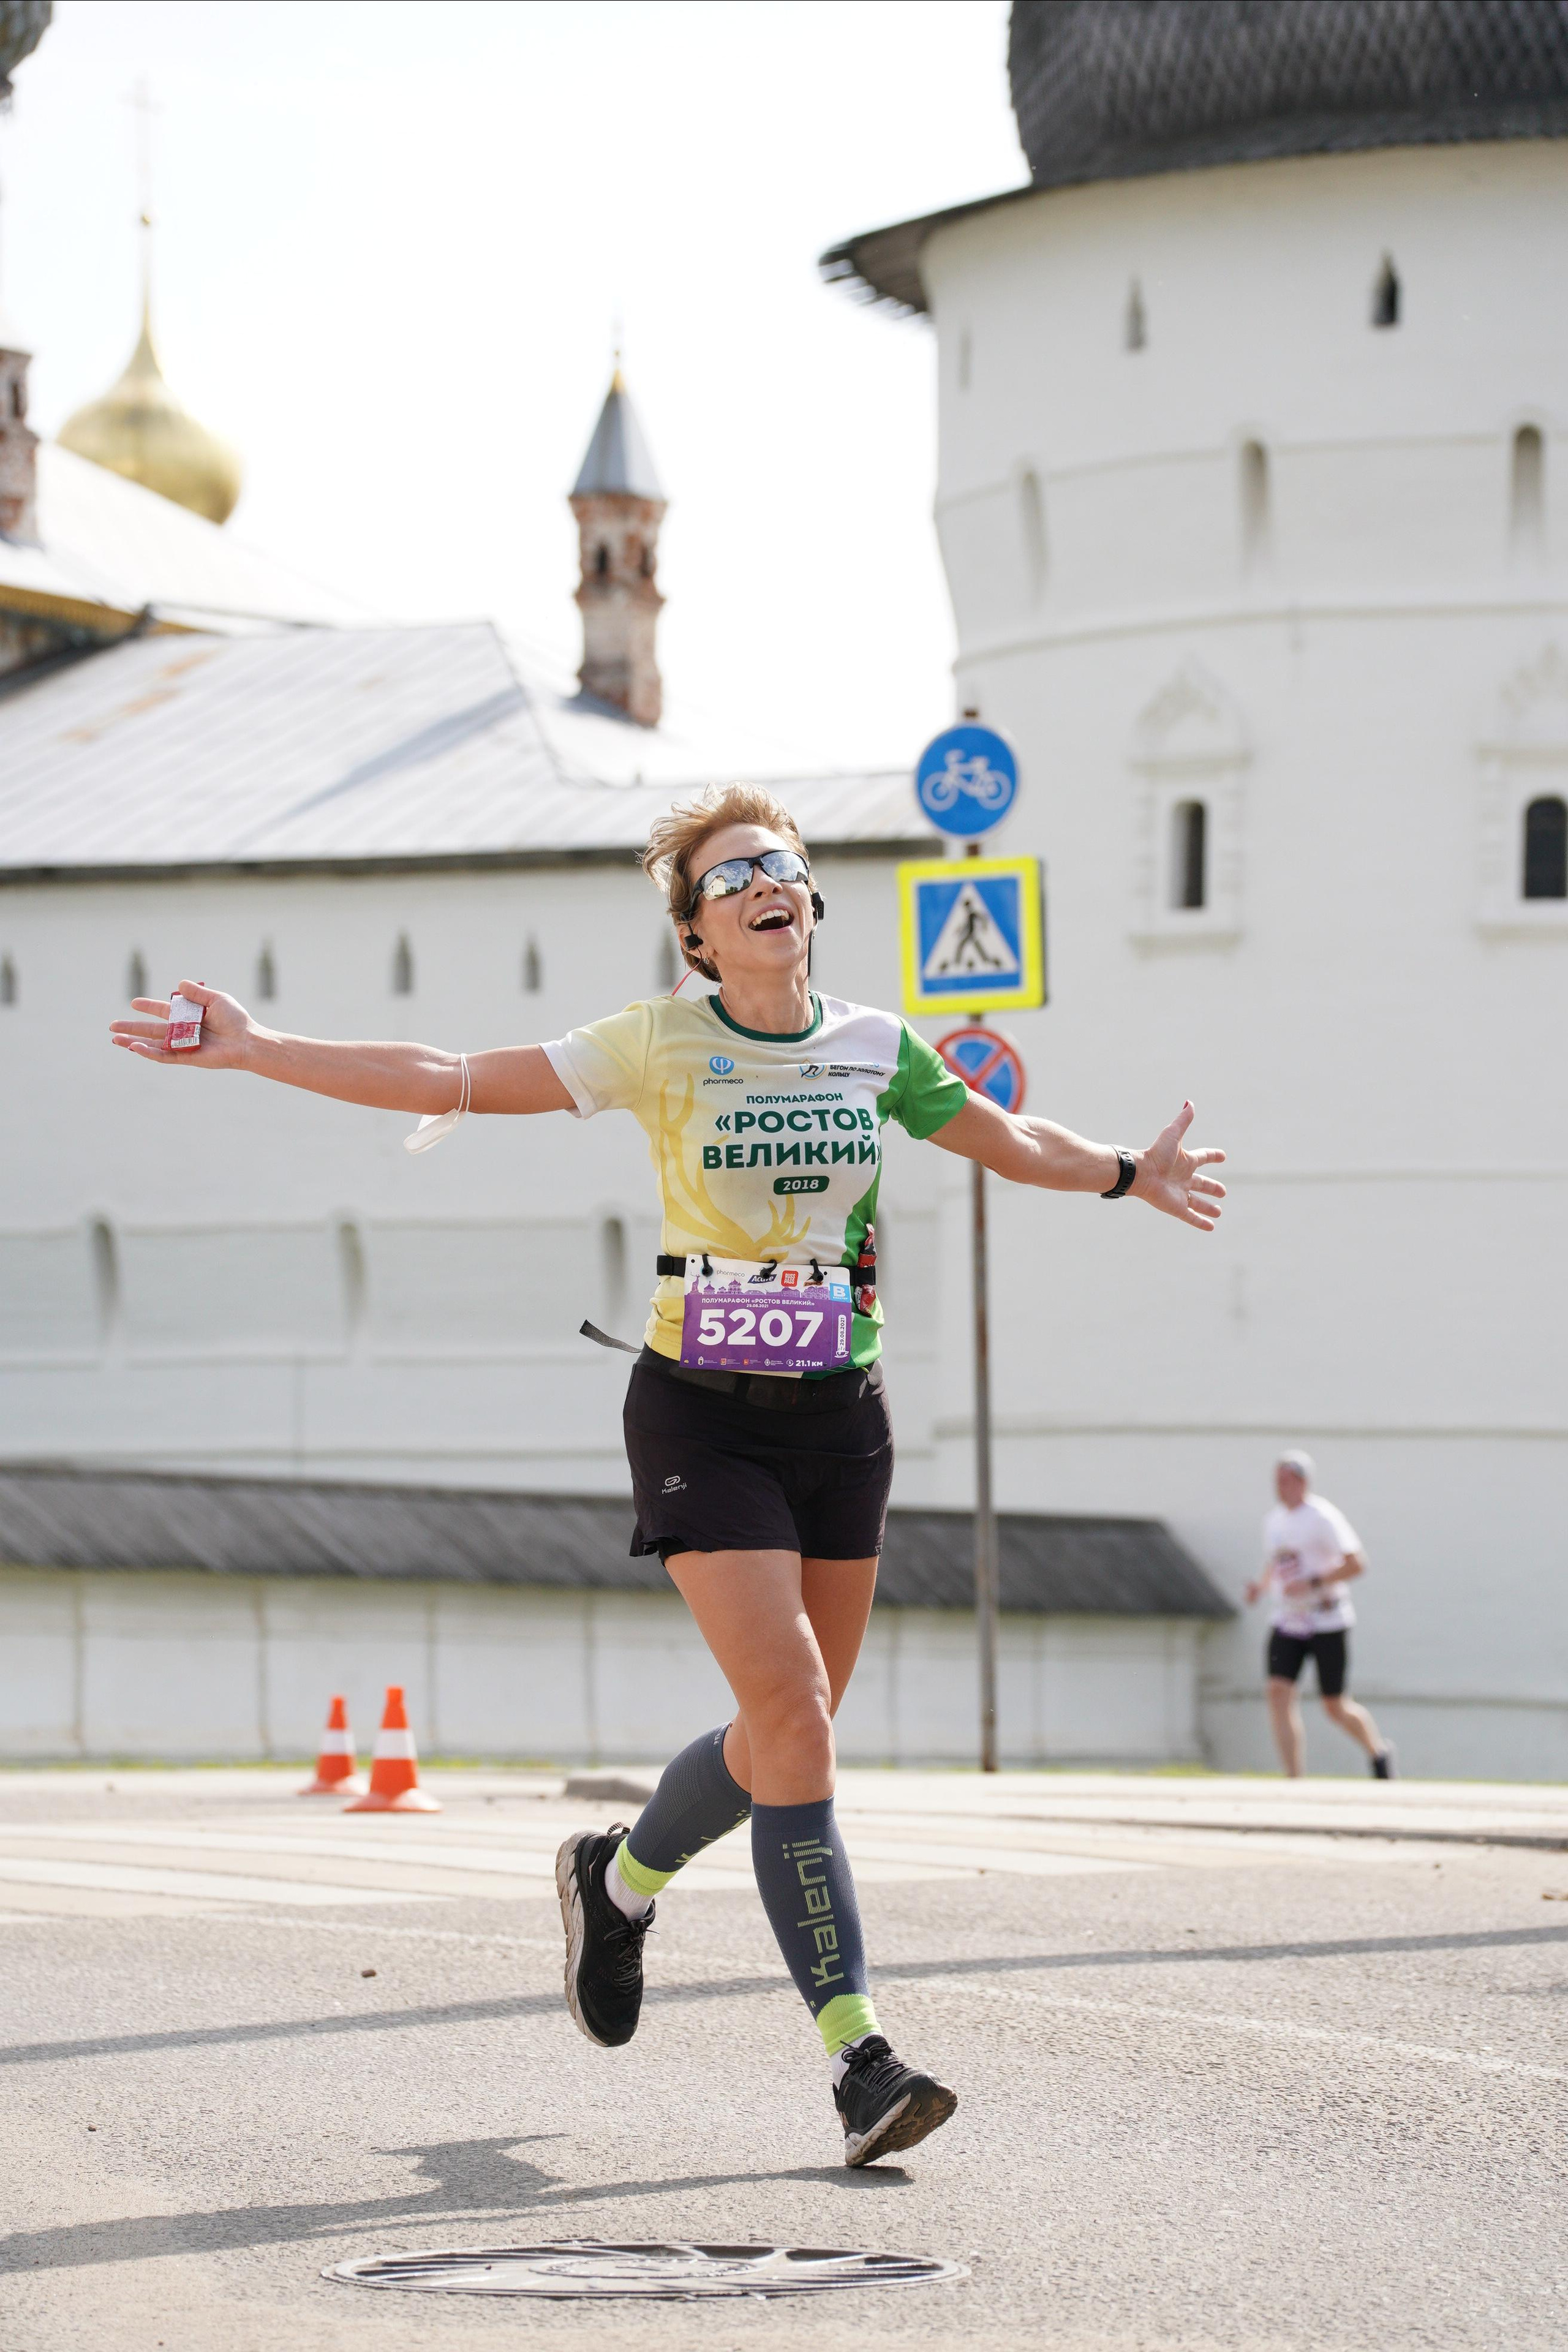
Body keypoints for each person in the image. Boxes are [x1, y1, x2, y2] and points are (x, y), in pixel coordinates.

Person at [109, 780, 1226, 2166]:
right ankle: (856, 2057)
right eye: (729, 876)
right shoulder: (655, 1044)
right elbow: (449, 1075)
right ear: (697, 934)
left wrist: (1128, 1168)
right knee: (797, 1710)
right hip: (699, 1418)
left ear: (808, 903)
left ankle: (618, 1879)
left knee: (779, 1742)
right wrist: (257, 1045)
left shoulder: (878, 1049)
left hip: (841, 1422)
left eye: (782, 864)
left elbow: (1009, 1140)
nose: (764, 881)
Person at [1245, 1450, 1396, 1780]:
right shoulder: (1273, 1521)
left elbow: (1356, 1563)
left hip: (1327, 1619)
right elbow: (1278, 1563)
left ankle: (1378, 1752)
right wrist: (1261, 1587)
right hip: (1288, 1620)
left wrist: (1314, 1582)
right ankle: (1294, 1777)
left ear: (1303, 1482)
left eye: (1289, 1480)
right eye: (1279, 1480)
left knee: (1334, 1705)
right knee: (1278, 1693)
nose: (1282, 1487)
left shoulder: (1323, 1517)